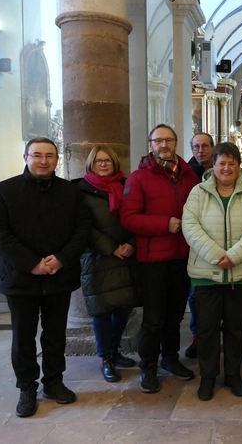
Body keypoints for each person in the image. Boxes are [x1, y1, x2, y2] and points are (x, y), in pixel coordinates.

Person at [0, 137, 91, 418]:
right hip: (21, 277)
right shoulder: (4, 190)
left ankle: (54, 383)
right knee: (23, 336)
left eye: (49, 156)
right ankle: (26, 388)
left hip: (59, 274)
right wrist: (31, 263)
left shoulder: (71, 192)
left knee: (55, 335)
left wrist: (61, 258)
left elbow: (82, 230)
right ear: (25, 157)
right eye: (37, 155)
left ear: (57, 160)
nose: (43, 160)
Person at [182, 142, 242, 401]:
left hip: (241, 273)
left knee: (236, 328)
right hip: (206, 273)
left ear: (238, 166)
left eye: (232, 163)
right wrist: (216, 256)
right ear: (214, 166)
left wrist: (233, 256)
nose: (227, 168)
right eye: (222, 163)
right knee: (206, 329)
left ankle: (232, 375)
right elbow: (190, 225)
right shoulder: (198, 192)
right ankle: (208, 377)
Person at [120, 124, 200, 393]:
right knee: (153, 319)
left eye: (168, 140)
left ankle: (170, 359)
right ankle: (148, 367)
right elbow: (129, 218)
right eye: (158, 141)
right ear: (151, 145)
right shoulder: (138, 178)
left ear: (176, 143)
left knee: (175, 316)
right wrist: (165, 224)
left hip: (183, 257)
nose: (164, 145)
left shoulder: (190, 177)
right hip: (154, 258)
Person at [75, 146, 141, 383]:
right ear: (91, 164)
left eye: (108, 161)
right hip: (99, 258)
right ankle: (105, 358)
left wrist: (131, 243)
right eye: (99, 161)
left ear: (115, 163)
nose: (103, 165)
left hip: (126, 255)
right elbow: (83, 226)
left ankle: (115, 351)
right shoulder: (80, 191)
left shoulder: (127, 187)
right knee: (102, 309)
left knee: (123, 305)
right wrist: (110, 247)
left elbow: (138, 216)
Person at [184, 132, 216, 359]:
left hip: (220, 239)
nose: (200, 150)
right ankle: (198, 335)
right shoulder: (185, 173)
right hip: (193, 242)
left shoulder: (223, 170)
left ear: (213, 148)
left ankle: (216, 332)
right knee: (195, 295)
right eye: (196, 146)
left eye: (205, 146)